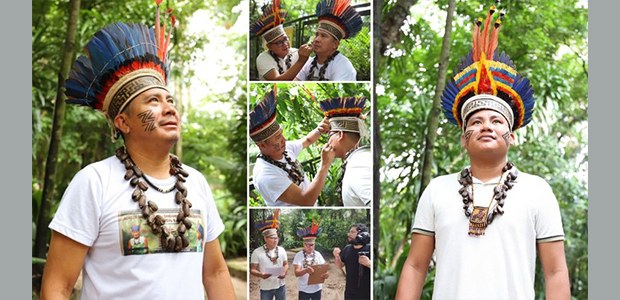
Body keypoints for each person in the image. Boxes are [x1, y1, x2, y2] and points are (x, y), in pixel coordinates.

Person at [40, 3, 235, 299]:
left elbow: (215, 273)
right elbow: (58, 285)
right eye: (153, 101)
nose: (169, 108)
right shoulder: (94, 182)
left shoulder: (196, 183)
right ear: (123, 122)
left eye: (169, 100)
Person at [395, 5, 570, 300]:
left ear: (511, 137)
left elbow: (556, 272)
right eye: (476, 121)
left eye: (496, 120)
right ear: (465, 139)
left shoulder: (537, 191)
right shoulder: (437, 190)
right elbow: (414, 265)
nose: (486, 126)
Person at [250, 86, 336, 206]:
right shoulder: (265, 175)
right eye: (277, 139)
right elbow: (306, 200)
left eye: (281, 135)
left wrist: (319, 129)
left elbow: (307, 140)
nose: (284, 140)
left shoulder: (285, 148)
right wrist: (325, 164)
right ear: (262, 145)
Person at [320, 96, 371, 206]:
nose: (328, 141)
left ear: (340, 135)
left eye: (329, 135)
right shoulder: (359, 160)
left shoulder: (359, 166)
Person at [295, 0, 362, 81]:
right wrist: (300, 61)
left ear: (335, 44)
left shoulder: (343, 66)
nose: (316, 39)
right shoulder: (309, 63)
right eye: (317, 35)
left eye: (323, 36)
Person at [251, 0, 312, 80]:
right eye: (279, 42)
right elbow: (277, 80)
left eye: (286, 39)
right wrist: (301, 61)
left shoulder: (296, 53)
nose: (285, 44)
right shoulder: (263, 58)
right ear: (269, 46)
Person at [250, 210, 289, 300]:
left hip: (280, 285)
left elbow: (286, 264)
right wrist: (261, 274)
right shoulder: (257, 252)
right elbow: (252, 269)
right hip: (266, 288)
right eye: (272, 238)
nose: (275, 240)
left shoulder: (282, 250)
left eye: (276, 238)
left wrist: (284, 272)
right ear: (265, 239)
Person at [333, 224, 371, 300]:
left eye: (352, 232)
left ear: (361, 234)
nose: (348, 234)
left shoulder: (369, 249)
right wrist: (337, 256)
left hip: (366, 293)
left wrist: (369, 263)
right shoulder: (347, 249)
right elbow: (340, 266)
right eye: (349, 232)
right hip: (350, 292)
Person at [293, 220, 329, 299]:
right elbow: (296, 273)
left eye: (312, 245)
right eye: (308, 245)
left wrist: (326, 275)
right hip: (304, 290)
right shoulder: (299, 255)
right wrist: (305, 270)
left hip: (317, 289)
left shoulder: (318, 254)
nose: (310, 247)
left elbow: (324, 269)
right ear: (304, 244)